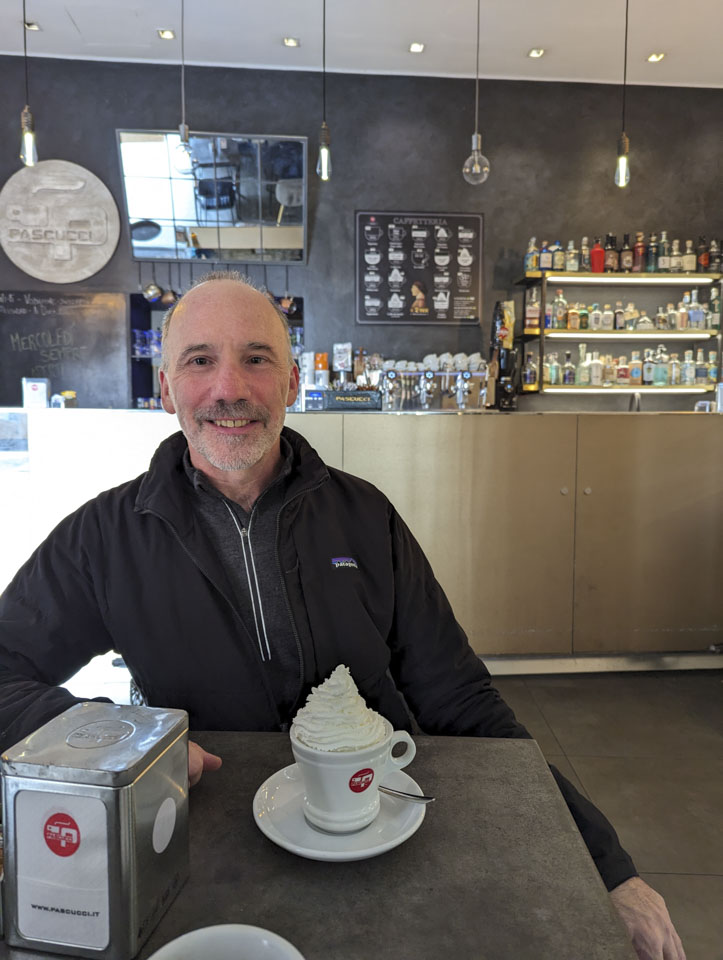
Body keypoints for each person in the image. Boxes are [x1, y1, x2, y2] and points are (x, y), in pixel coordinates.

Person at [0, 273, 684, 960]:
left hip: (377, 839)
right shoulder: (104, 537)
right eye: (200, 360)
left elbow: (461, 699)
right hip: (195, 857)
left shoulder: (365, 517)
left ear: (293, 383)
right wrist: (129, 741)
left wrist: (605, 865)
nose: (229, 389)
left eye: (256, 359)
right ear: (167, 388)